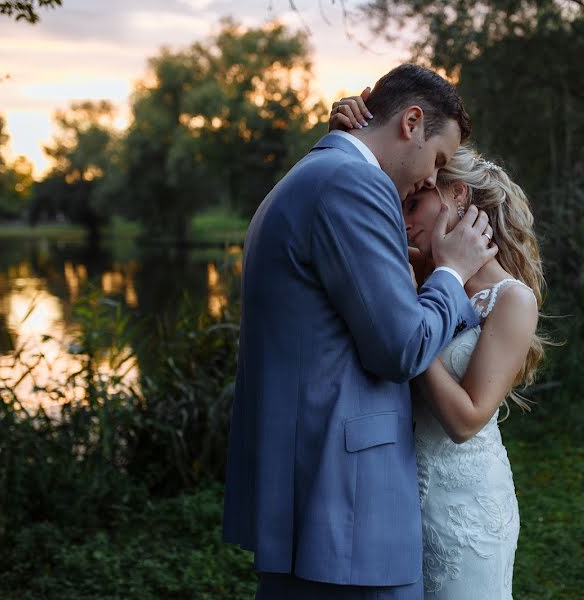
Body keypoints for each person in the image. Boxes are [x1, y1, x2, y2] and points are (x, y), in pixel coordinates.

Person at [221, 64, 498, 600]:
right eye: (438, 158)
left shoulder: (312, 174)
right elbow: (401, 347)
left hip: (306, 497)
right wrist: (453, 273)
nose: (429, 179)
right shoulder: (354, 183)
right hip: (349, 509)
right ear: (411, 122)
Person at [330, 95, 546, 599]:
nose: (401, 219)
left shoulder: (511, 301)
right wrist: (346, 134)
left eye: (413, 203)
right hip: (397, 501)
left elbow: (466, 419)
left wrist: (405, 332)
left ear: (459, 197)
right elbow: (343, 210)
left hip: (465, 510)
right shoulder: (415, 272)